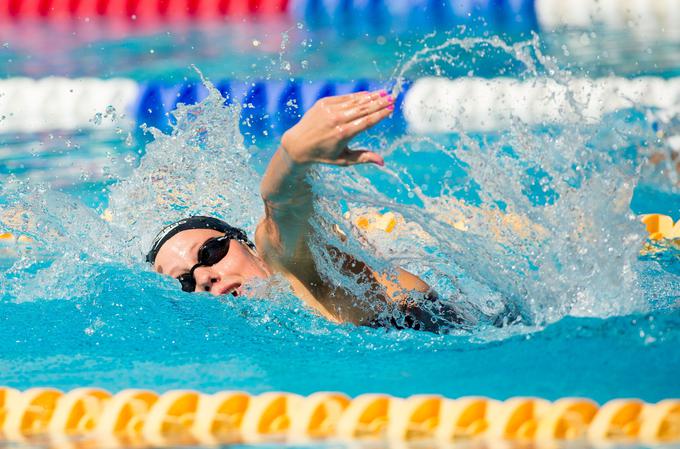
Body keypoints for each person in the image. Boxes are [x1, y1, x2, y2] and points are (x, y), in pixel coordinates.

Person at [146, 90, 468, 333]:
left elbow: (280, 205)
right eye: (184, 283)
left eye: (211, 251)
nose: (203, 276)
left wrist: (293, 153)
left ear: (248, 246)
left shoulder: (292, 267)